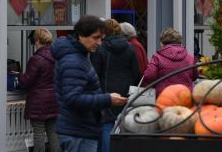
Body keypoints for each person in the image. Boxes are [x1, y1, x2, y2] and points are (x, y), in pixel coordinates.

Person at [51, 15, 128, 152]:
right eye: (95, 38)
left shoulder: (79, 56)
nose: (99, 43)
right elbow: (73, 98)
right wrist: (108, 99)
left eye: (101, 38)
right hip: (78, 132)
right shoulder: (74, 61)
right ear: (81, 35)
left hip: (80, 129)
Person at [92, 19, 140, 152]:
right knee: (124, 122)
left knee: (107, 123)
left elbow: (95, 70)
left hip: (106, 88)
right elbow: (136, 71)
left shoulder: (100, 48)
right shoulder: (130, 47)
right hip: (126, 88)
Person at [18, 28, 60, 152]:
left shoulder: (36, 59)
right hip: (54, 100)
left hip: (38, 102)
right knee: (53, 133)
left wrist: (19, 74)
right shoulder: (57, 57)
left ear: (37, 40)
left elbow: (26, 82)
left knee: (39, 133)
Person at [143, 28, 199, 95]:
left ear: (162, 43)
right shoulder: (190, 58)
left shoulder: (157, 57)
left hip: (164, 96)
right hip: (185, 96)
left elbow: (149, 76)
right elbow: (195, 76)